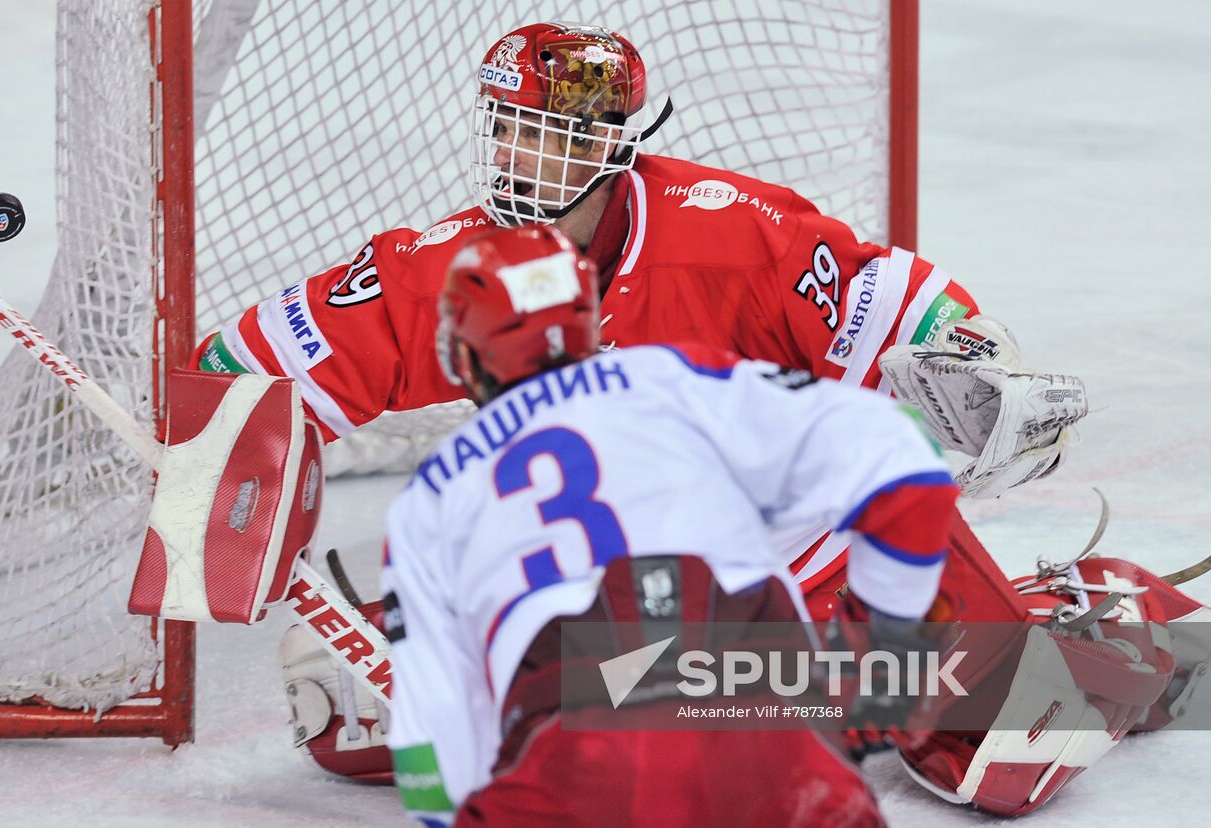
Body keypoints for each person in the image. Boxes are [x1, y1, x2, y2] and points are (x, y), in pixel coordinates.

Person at [197, 21, 1168, 816]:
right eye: (507, 129)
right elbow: (243, 370)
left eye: (552, 134)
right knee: (341, 711)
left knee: (1015, 750)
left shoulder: (727, 230)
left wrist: (973, 361)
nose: (518, 158)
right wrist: (232, 473)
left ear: (613, 144)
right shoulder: (442, 267)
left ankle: (1108, 623)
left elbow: (898, 307)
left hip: (791, 554)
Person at [381, 223, 959, 826]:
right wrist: (884, 660)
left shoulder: (427, 498)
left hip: (572, 749)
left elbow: (435, 748)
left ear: (467, 352)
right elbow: (906, 462)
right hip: (761, 715)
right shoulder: (670, 377)